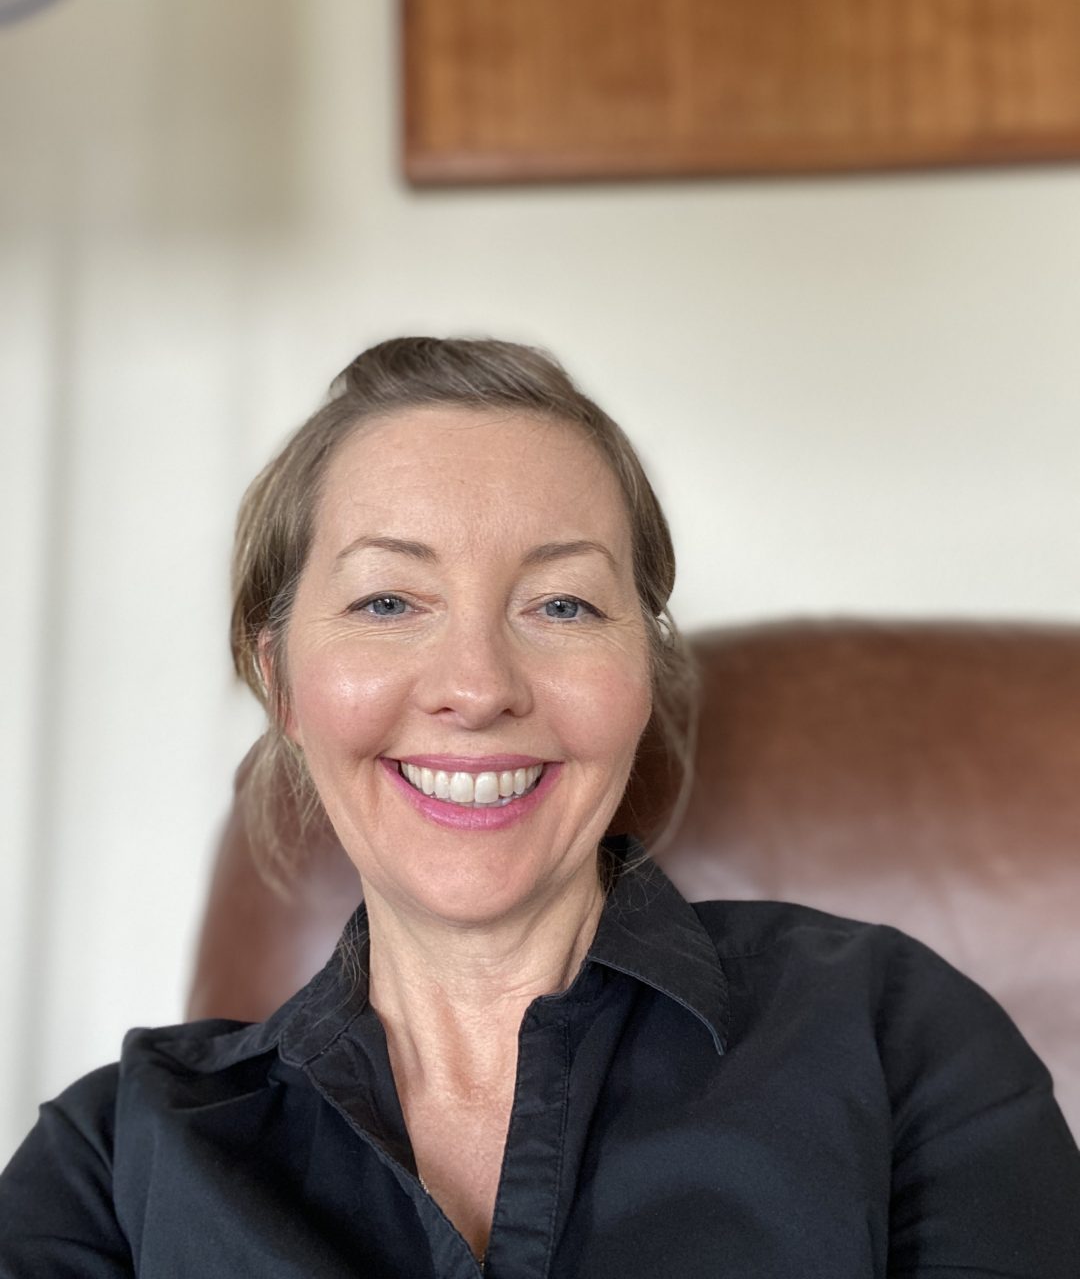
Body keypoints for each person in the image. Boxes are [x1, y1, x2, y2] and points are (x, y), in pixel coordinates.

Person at [1, 335, 1078, 1278]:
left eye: (562, 605)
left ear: (642, 676)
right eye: (388, 601)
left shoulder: (894, 1041)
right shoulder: (114, 1161)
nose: (477, 687)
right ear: (279, 677)